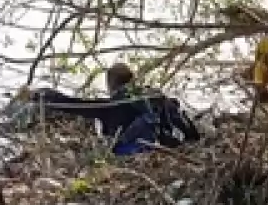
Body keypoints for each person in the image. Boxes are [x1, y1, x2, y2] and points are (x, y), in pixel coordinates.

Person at [24, 62, 200, 155]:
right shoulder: (153, 96)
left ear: (111, 83)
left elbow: (74, 104)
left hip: (136, 152)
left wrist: (41, 96)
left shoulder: (110, 106)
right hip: (168, 144)